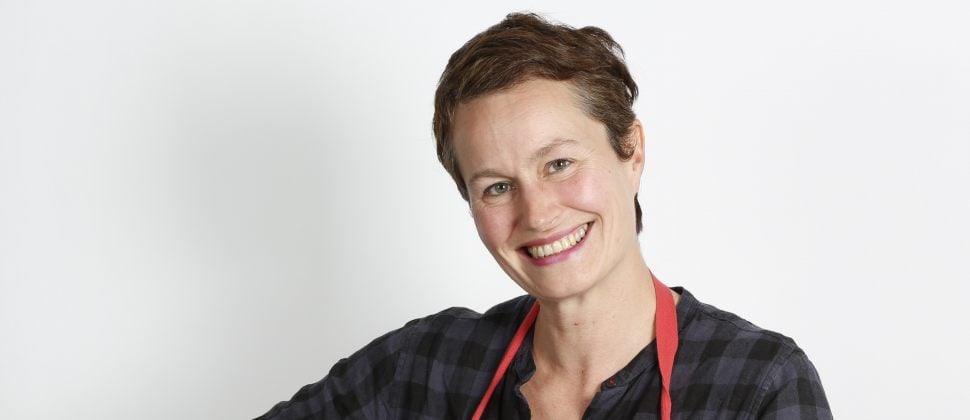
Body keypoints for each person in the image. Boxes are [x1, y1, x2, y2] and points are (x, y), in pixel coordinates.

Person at [257, 13, 831, 419]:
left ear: (631, 152)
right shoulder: (424, 366)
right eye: (497, 187)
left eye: (559, 163)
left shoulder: (756, 383)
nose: (537, 213)